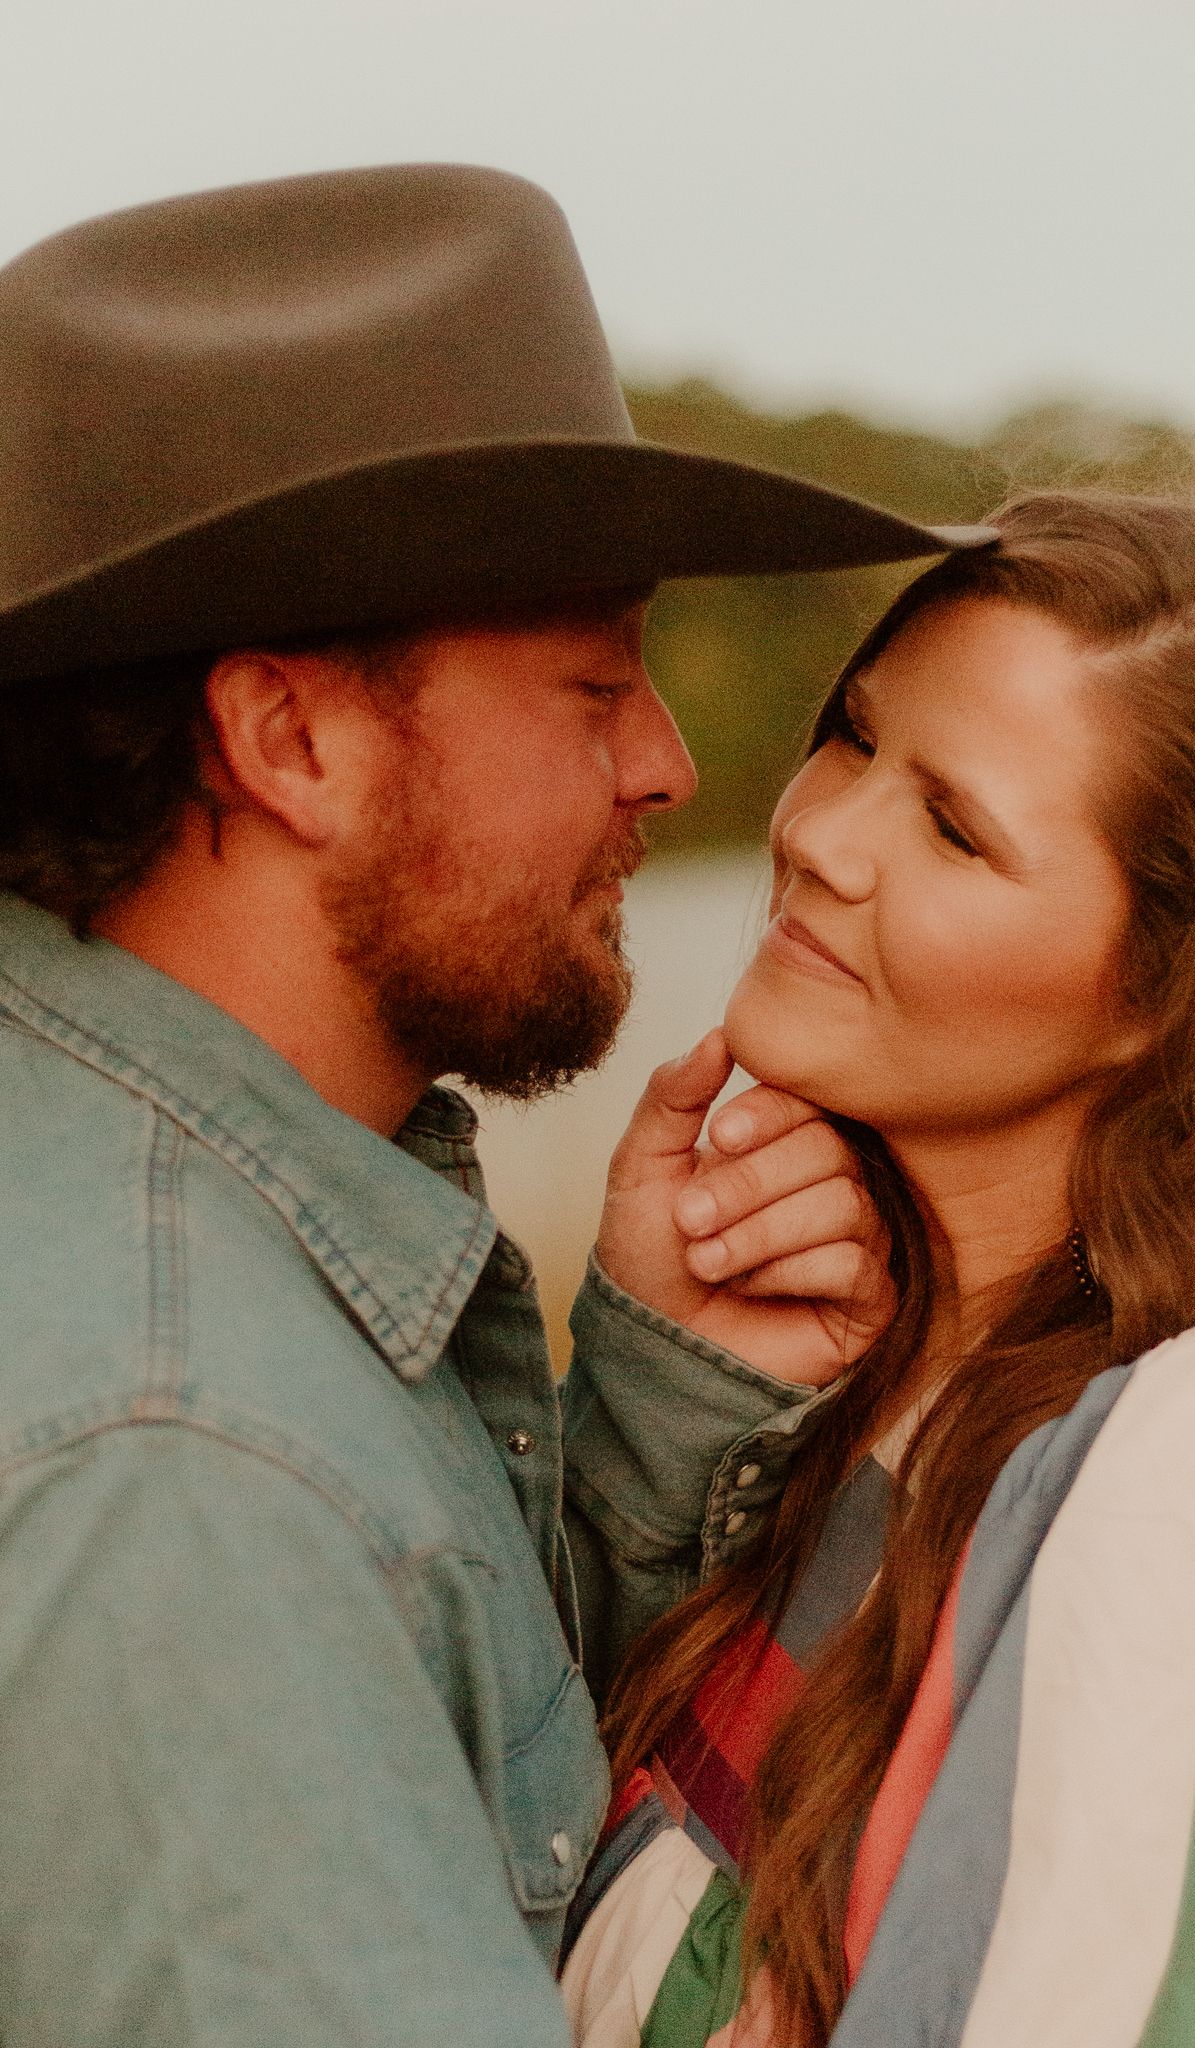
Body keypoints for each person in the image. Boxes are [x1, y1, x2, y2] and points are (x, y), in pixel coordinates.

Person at [0, 164, 994, 2046]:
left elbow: (437, 1795)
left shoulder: (178, 1205)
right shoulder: (189, 1470)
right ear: (290, 739)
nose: (667, 764)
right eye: (593, 684)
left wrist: (657, 1405)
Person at [563, 489, 1195, 2048]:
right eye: (854, 738)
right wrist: (661, 1396)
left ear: (1163, 985)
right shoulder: (861, 1364)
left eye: (951, 829)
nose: (814, 834)